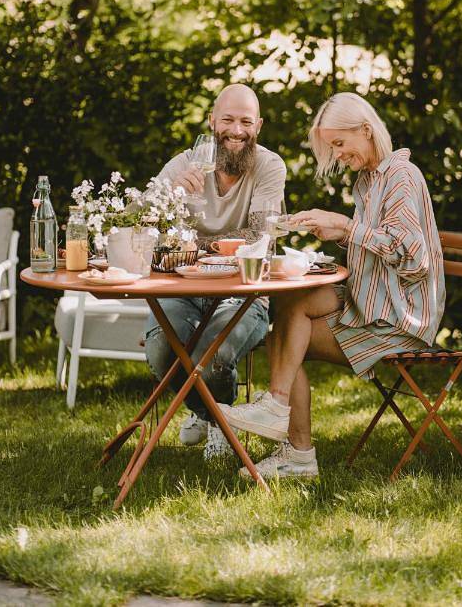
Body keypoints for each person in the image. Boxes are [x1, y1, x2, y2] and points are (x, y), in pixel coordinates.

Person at [219, 91, 445, 478]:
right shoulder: (369, 180)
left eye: (339, 144)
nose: (337, 155)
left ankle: (296, 449)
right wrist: (337, 234)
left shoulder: (400, 177)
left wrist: (346, 226)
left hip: (398, 319)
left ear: (366, 130)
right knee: (293, 304)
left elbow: (413, 259)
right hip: (374, 302)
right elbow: (373, 243)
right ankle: (280, 416)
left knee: (286, 337)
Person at [145, 83, 286, 460]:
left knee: (215, 355)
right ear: (212, 121)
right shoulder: (185, 163)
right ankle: (213, 415)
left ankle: (215, 422)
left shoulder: (269, 166)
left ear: (259, 126)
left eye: (245, 122)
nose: (236, 130)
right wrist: (169, 194)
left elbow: (260, 234)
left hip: (244, 292)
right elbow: (141, 222)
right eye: (228, 120)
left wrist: (198, 247)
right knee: (161, 349)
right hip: (183, 290)